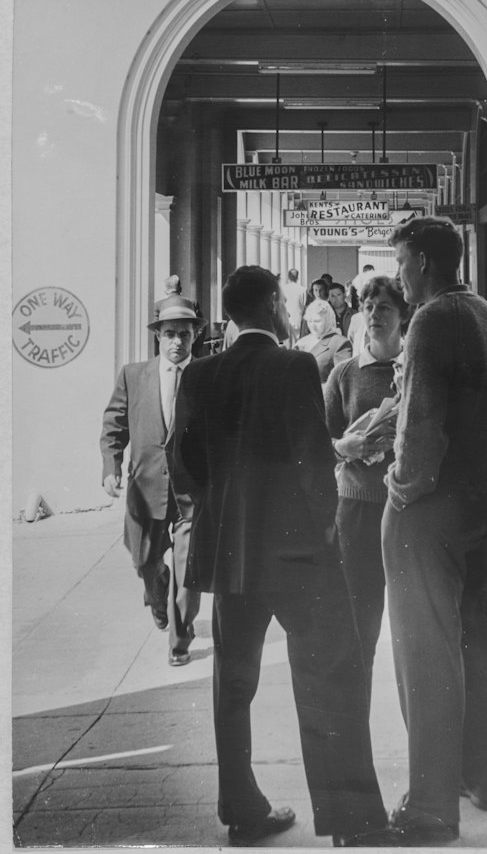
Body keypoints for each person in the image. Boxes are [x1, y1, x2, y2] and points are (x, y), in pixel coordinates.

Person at [173, 265, 391, 848]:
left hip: (230, 558)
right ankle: (351, 823)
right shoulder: (295, 366)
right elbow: (312, 459)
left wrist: (220, 510)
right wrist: (325, 529)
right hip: (299, 557)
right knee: (329, 678)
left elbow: (182, 462)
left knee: (233, 686)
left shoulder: (198, 373)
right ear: (272, 304)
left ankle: (242, 812)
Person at [381, 217, 487, 846]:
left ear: (423, 260)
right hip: (484, 505)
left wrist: (400, 488)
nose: (398, 276)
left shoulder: (429, 320)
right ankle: (482, 780)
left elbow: (418, 431)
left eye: (402, 263)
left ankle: (432, 809)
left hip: (431, 510)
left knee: (427, 655)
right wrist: (481, 441)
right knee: (479, 642)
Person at [100, 293, 207, 667]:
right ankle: (156, 592)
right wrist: (111, 466)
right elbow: (114, 423)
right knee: (145, 561)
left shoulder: (208, 376)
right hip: (146, 490)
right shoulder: (134, 375)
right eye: (170, 334)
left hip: (192, 493)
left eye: (185, 334)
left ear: (196, 336)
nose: (177, 341)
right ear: (158, 337)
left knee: (187, 568)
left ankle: (179, 642)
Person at [324, 276, 410, 707]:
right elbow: (317, 442)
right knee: (360, 619)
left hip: (408, 511)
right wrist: (345, 446)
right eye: (369, 307)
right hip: (356, 511)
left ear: (403, 315)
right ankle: (355, 709)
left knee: (412, 620)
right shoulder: (344, 374)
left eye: (385, 308)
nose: (375, 315)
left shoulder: (414, 371)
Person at [294, 299, 352, 385]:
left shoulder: (339, 343)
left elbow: (342, 382)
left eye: (317, 321)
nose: (312, 326)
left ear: (328, 320)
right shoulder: (301, 343)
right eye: (310, 321)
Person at [281, 267, 307, 347]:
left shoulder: (283, 289)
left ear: (288, 277)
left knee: (287, 344)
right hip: (298, 320)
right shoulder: (303, 289)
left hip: (286, 320)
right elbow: (304, 305)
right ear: (298, 277)